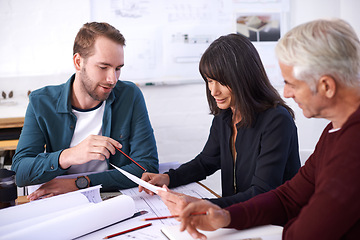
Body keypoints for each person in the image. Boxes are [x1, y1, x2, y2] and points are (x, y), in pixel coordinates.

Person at [168, 18, 360, 240]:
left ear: (326, 86)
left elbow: (310, 232)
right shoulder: (333, 132)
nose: (286, 93)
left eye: (292, 84)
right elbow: (288, 197)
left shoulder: (353, 146)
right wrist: (226, 215)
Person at [140, 33, 301, 210]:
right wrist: (169, 178)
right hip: (235, 216)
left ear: (244, 78)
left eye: (221, 82)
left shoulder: (277, 120)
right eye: (209, 81)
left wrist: (203, 205)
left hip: (273, 221)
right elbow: (206, 162)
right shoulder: (225, 116)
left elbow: (261, 193)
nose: (213, 91)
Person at [11, 22, 158, 200]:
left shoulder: (129, 95)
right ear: (78, 62)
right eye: (103, 67)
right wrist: (69, 156)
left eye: (118, 68)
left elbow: (146, 167)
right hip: (62, 199)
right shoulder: (41, 101)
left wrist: (80, 183)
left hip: (113, 197)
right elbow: (20, 173)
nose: (113, 79)